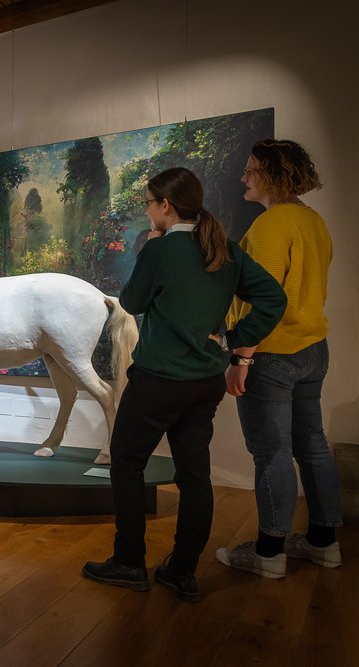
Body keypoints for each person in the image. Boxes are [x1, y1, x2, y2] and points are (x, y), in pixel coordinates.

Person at [82, 167, 286, 602]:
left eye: (149, 203)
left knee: (126, 462)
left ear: (165, 206)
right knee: (195, 475)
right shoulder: (225, 249)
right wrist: (234, 342)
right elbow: (273, 299)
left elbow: (132, 303)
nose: (147, 209)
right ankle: (182, 570)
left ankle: (129, 563)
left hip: (158, 381)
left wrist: (151, 250)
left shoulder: (162, 249)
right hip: (205, 383)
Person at [216, 140, 342, 578]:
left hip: (270, 353)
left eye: (250, 170)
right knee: (313, 445)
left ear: (271, 173)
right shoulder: (314, 221)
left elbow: (264, 299)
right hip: (312, 349)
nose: (244, 177)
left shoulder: (271, 226)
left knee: (271, 452)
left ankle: (269, 552)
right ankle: (324, 543)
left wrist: (242, 356)